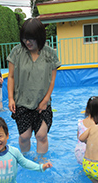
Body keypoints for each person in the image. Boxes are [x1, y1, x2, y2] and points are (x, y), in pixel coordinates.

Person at [7, 18, 61, 155]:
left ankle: (41, 163)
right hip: (22, 102)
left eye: (31, 39)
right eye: (25, 38)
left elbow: (52, 81)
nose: (27, 42)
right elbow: (11, 77)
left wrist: (45, 100)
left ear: (40, 37)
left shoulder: (49, 54)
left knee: (41, 135)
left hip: (42, 102)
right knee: (24, 137)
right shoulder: (17, 52)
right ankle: (25, 159)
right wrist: (11, 98)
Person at [74, 96, 98, 165]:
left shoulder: (80, 122)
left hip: (79, 152)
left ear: (87, 109)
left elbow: (78, 137)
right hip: (91, 155)